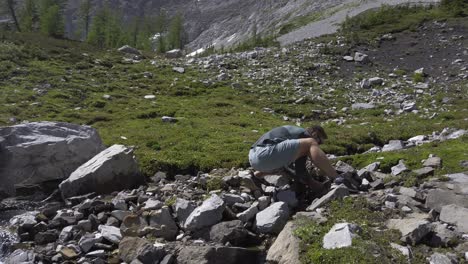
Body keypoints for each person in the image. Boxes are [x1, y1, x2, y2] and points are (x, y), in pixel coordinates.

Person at [248, 125, 338, 193]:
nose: (318, 145)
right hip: (263, 153)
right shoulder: (304, 134)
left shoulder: (293, 137)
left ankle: (256, 176)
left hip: (254, 157)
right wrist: (315, 185)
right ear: (314, 134)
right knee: (311, 143)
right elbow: (300, 169)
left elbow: (295, 168)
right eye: (319, 142)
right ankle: (337, 177)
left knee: (285, 166)